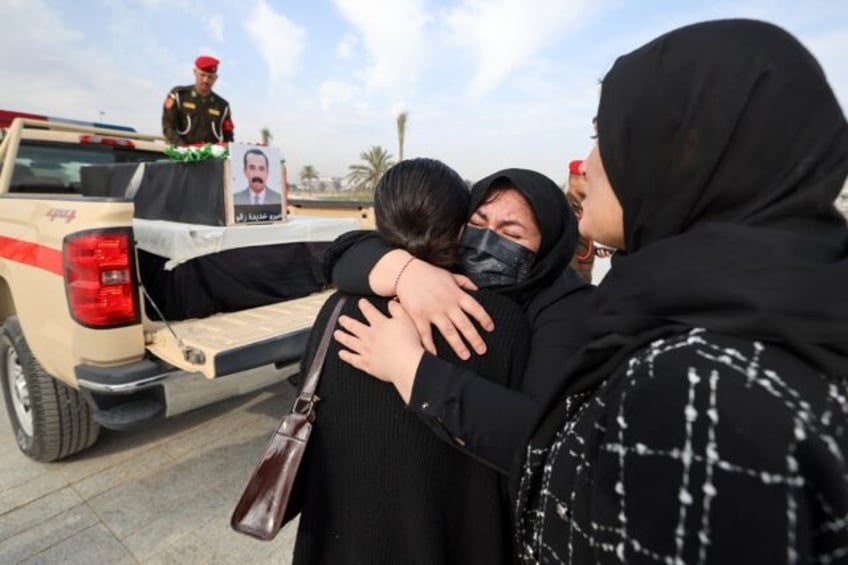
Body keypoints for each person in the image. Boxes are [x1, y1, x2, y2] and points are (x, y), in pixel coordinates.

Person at [513, 19, 848, 564]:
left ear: (686, 149)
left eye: (604, 137)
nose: (589, 165)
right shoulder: (761, 321)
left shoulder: (698, 391)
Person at [290, 158, 531, 564]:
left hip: (343, 541)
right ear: (460, 229)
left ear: (381, 220)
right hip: (451, 543)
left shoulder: (337, 309)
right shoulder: (500, 321)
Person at [328, 168, 593, 473]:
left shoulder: (568, 309)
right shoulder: (446, 271)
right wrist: (406, 273)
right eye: (478, 224)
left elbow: (546, 438)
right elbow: (343, 253)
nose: (484, 245)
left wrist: (408, 366)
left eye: (511, 234)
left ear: (548, 245)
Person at [162, 55, 234, 146]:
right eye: (202, 75)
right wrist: (184, 148)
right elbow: (168, 127)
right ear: (195, 72)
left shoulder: (222, 106)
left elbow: (228, 136)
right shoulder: (179, 95)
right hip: (182, 154)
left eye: (210, 77)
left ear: (216, 78)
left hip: (211, 157)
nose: (205, 80)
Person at [565, 159, 595, 282]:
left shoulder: (581, 208)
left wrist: (596, 250)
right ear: (573, 180)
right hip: (575, 276)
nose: (590, 184)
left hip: (585, 274)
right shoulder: (566, 207)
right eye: (585, 179)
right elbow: (567, 247)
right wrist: (577, 280)